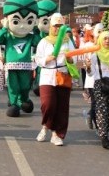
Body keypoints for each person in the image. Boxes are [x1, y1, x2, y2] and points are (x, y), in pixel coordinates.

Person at [34, 13, 75, 146]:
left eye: (60, 26)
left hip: (63, 75)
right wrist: (47, 59)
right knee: (48, 104)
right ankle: (45, 126)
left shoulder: (67, 41)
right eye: (55, 26)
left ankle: (57, 134)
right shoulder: (44, 41)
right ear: (50, 26)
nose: (57, 29)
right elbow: (37, 59)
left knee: (62, 107)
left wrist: (70, 59)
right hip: (47, 76)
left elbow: (75, 58)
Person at [85, 31, 109, 148]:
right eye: (105, 39)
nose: (107, 41)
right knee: (102, 109)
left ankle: (105, 131)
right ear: (101, 41)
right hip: (100, 85)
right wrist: (87, 66)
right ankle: (103, 136)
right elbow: (91, 73)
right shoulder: (95, 56)